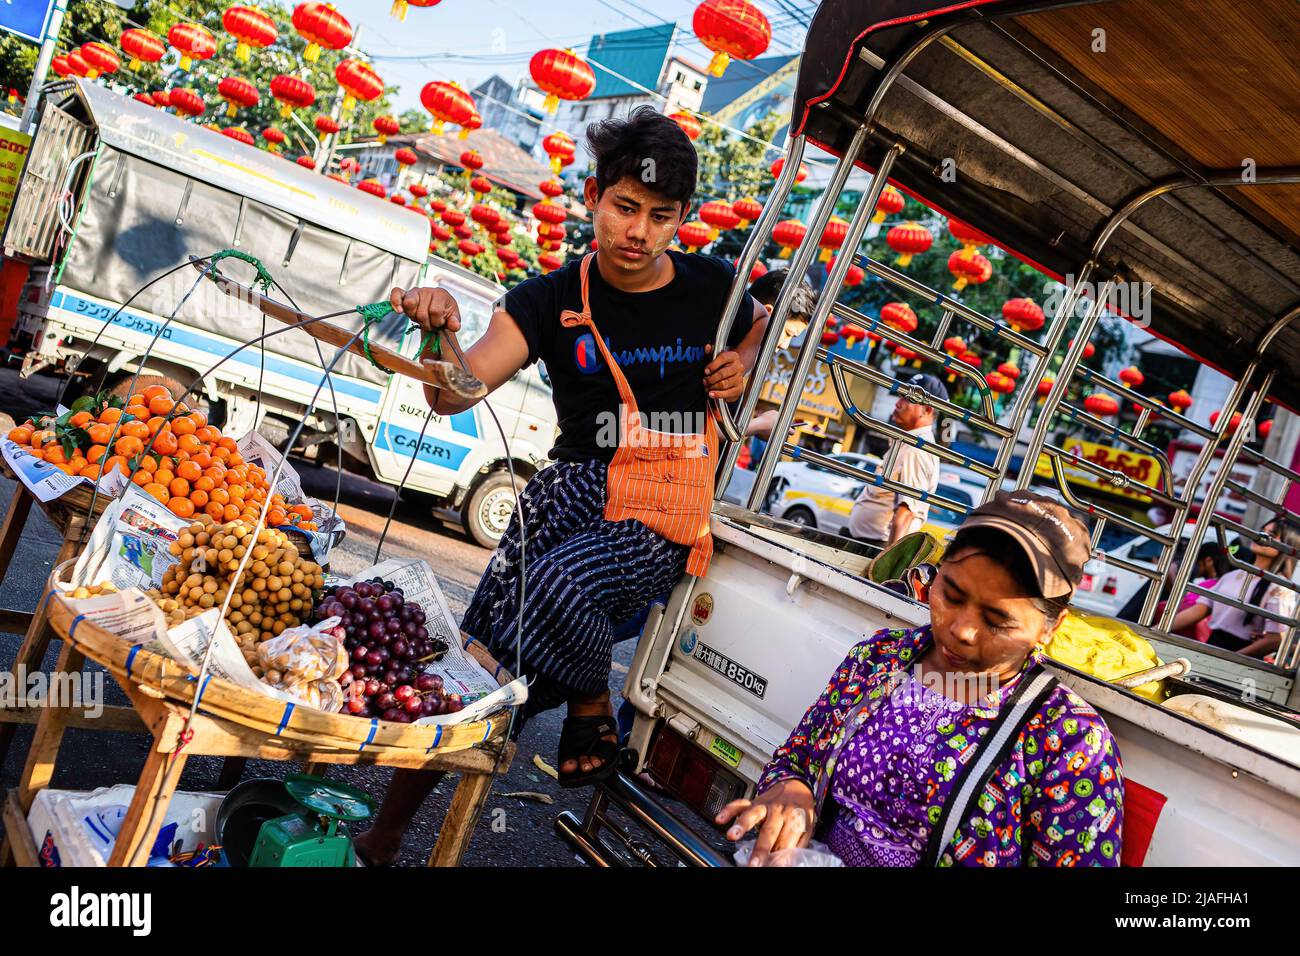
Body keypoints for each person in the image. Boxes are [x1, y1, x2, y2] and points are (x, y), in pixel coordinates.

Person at [352, 108, 768, 864]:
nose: (639, 231)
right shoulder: (546, 299)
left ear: (683, 221)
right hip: (565, 499)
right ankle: (385, 836)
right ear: (592, 197)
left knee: (555, 589)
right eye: (625, 208)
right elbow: (454, 391)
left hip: (658, 517)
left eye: (661, 217)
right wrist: (437, 329)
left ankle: (589, 706)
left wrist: (741, 355)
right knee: (471, 673)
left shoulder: (711, 285)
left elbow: (768, 319)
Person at [718, 491, 1124, 867]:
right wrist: (792, 790)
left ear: (1050, 628)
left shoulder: (1070, 740)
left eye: (997, 621)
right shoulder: (880, 658)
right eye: (951, 594)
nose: (961, 630)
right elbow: (799, 755)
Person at [1170, 515, 1300, 658]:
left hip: (1242, 657)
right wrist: (1158, 628)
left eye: (1272, 535)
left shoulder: (1280, 588)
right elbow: (1198, 610)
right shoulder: (1234, 575)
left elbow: (1275, 639)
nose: (1261, 536)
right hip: (1212, 645)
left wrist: (1232, 658)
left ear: (1288, 545)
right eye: (1262, 531)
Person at [848, 372, 948, 547]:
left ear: (927, 410)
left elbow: (906, 513)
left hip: (878, 545)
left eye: (907, 399)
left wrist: (887, 565)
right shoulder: (906, 442)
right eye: (900, 396)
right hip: (870, 542)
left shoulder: (917, 449)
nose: (897, 403)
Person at [1117, 540, 1229, 641]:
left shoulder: (1191, 567)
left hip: (1145, 605)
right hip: (1142, 608)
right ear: (1208, 560)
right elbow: (1171, 569)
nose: (1217, 571)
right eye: (1218, 565)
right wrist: (1178, 596)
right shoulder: (1193, 567)